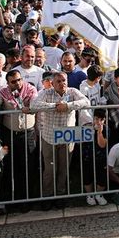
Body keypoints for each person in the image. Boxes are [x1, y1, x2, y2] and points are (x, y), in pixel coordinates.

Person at [30, 71, 89, 208]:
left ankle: (61, 195)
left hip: (67, 138)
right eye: (59, 81)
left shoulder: (72, 91)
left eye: (64, 81)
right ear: (52, 83)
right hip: (49, 137)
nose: (62, 84)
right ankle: (47, 196)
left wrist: (68, 106)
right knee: (49, 169)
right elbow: (34, 105)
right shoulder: (47, 92)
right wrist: (55, 106)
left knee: (64, 168)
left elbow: (85, 101)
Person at [0, 69, 38, 205]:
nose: (18, 83)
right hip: (10, 134)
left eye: (19, 80)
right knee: (11, 166)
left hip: (28, 133)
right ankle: (11, 199)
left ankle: (27, 199)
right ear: (8, 83)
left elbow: (34, 101)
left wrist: (30, 106)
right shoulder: (3, 92)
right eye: (13, 82)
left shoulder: (30, 88)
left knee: (27, 166)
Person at [81, 109, 109, 206]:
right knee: (87, 176)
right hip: (87, 157)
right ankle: (90, 195)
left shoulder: (106, 129)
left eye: (101, 119)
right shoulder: (86, 128)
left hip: (100, 158)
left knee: (102, 176)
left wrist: (99, 132)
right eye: (96, 119)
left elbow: (102, 145)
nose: (98, 121)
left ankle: (99, 194)